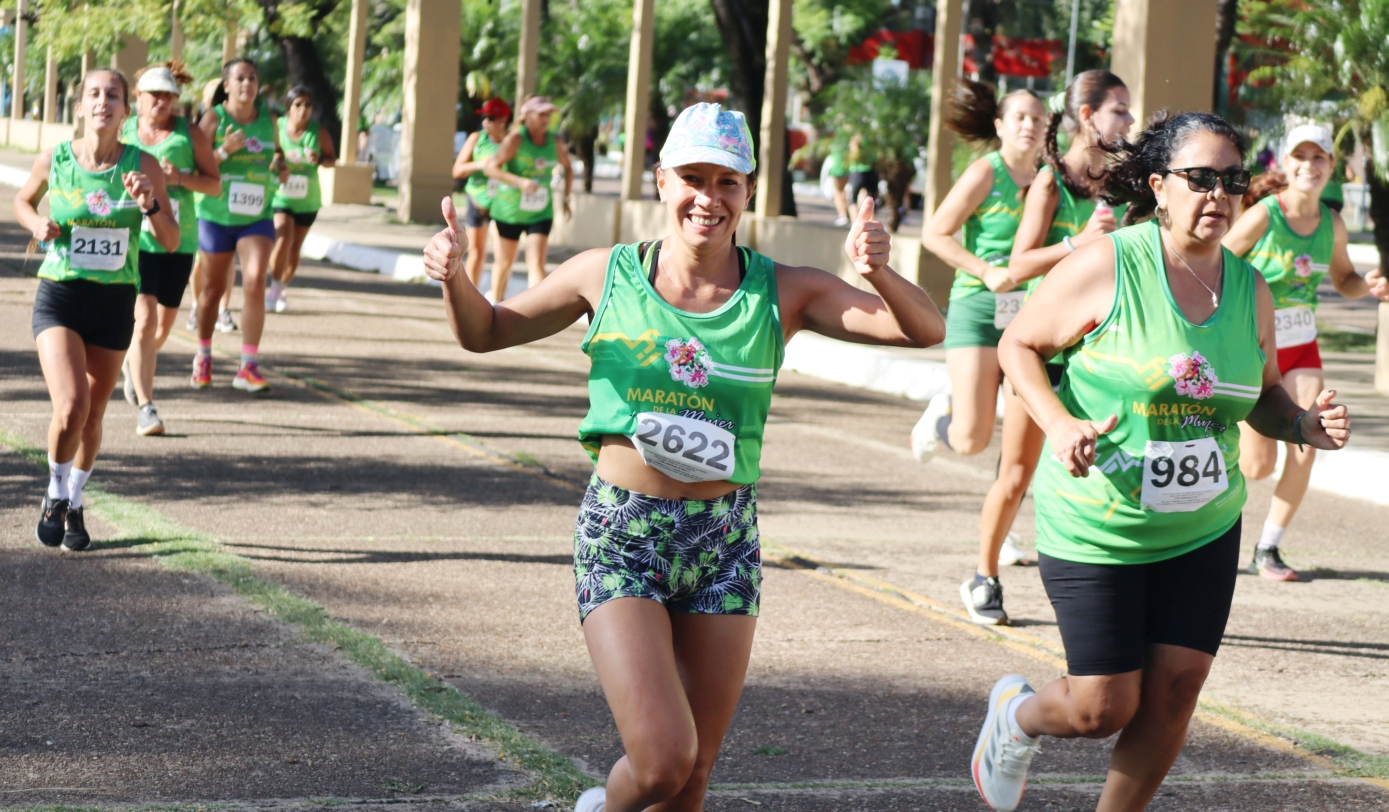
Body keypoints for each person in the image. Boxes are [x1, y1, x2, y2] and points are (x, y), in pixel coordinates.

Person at [422, 103, 944, 812]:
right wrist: (454, 277)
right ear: (661, 181)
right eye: (692, 177)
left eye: (727, 181)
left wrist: (878, 270)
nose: (709, 197)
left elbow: (922, 330)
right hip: (622, 536)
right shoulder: (603, 274)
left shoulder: (781, 290)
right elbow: (484, 331)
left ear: (748, 192)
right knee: (665, 760)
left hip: (724, 540)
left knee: (695, 773)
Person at [973, 111, 1353, 812]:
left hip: (1201, 526)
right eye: (1199, 178)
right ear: (1158, 184)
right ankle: (1016, 716)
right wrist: (1057, 424)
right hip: (1099, 523)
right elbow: (1018, 345)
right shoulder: (1108, 263)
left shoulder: (1249, 289)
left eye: (1230, 180)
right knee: (1100, 707)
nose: (1217, 193)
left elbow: (1260, 396)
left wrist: (1302, 425)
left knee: (1174, 694)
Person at [954, 70, 1133, 626]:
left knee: (1110, 470)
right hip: (1044, 350)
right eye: (1119, 111)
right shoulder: (1051, 182)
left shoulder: (1121, 184)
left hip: (1099, 352)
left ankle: (1119, 587)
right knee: (1017, 474)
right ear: (1088, 117)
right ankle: (984, 576)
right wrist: (1077, 244)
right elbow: (1018, 263)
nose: (1128, 121)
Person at [18, 69, 179, 551]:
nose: (103, 102)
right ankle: (53, 493)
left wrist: (149, 205)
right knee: (71, 407)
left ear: (126, 111)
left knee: (93, 417)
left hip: (114, 301)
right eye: (94, 94)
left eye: (113, 95)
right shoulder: (57, 158)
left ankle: (76, 499)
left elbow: (169, 241)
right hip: (61, 294)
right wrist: (38, 223)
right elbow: (23, 201)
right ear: (81, 106)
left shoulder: (143, 165)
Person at [1222, 124, 1389, 581]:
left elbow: (1342, 278)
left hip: (1302, 346)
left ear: (1331, 168)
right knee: (1257, 467)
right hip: (1254, 347)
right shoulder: (1264, 217)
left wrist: (1368, 285)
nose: (1309, 165)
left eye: (1319, 158)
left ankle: (1268, 548)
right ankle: (1211, 523)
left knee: (1308, 439)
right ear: (1286, 164)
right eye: (1301, 156)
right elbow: (1217, 263)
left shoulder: (1332, 223)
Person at [911, 81, 1046, 475]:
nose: (1030, 125)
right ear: (1000, 125)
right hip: (980, 307)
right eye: (1020, 117)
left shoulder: (1048, 178)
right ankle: (941, 414)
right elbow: (935, 233)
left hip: (1031, 314)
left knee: (1025, 444)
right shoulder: (986, 172)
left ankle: (1004, 527)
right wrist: (986, 271)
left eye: (1037, 118)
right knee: (971, 441)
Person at [119, 62, 221, 436]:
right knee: (143, 319)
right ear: (139, 99)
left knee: (161, 326)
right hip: (136, 238)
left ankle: (135, 363)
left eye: (169, 96)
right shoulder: (124, 130)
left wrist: (177, 177)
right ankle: (146, 406)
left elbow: (214, 186)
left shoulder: (189, 133)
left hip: (179, 238)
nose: (162, 102)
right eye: (154, 96)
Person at [191, 58, 287, 392]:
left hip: (257, 215)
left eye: (252, 78)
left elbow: (276, 153)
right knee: (213, 291)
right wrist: (222, 152)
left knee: (255, 281)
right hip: (217, 215)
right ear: (227, 85)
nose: (247, 84)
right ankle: (203, 354)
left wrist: (281, 166)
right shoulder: (214, 118)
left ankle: (248, 365)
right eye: (240, 78)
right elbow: (194, 164)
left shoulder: (269, 120)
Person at [483, 96, 573, 302]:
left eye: (548, 115)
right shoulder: (515, 139)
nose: (546, 119)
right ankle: (496, 306)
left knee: (537, 263)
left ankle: (536, 312)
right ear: (527, 116)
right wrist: (519, 182)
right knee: (505, 262)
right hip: (509, 210)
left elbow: (568, 167)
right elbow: (490, 167)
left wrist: (567, 198)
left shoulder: (554, 141)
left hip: (540, 211)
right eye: (541, 114)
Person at [267, 85, 337, 313]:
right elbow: (267, 153)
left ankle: (281, 285)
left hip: (308, 199)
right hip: (281, 195)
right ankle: (274, 286)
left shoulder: (318, 132)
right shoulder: (276, 127)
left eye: (308, 105)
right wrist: (276, 163)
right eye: (298, 104)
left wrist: (318, 159)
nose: (303, 109)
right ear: (288, 107)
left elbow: (331, 160)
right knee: (282, 239)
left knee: (295, 246)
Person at [188, 77, 237, 334]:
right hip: (204, 202)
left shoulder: (247, 122)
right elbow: (199, 165)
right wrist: (226, 150)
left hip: (234, 203)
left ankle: (223, 310)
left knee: (228, 263)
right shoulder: (206, 123)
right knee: (200, 262)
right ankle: (197, 305)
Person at [451, 97, 511, 293]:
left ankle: (497, 297)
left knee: (504, 255)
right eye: (484, 117)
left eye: (490, 118)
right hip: (477, 199)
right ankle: (470, 296)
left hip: (503, 202)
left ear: (503, 120)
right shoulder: (477, 139)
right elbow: (457, 170)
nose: (486, 122)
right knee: (477, 252)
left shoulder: (512, 142)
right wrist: (479, 165)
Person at [845, 132, 878, 216]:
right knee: (871, 200)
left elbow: (854, 154)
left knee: (852, 199)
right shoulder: (872, 140)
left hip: (858, 172)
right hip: (871, 172)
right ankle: (871, 225)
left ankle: (856, 224)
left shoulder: (855, 139)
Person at [823, 144, 850, 226]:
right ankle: (846, 213)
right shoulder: (851, 140)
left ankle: (843, 215)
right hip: (847, 170)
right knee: (844, 192)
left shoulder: (837, 143)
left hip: (837, 170)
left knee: (838, 193)